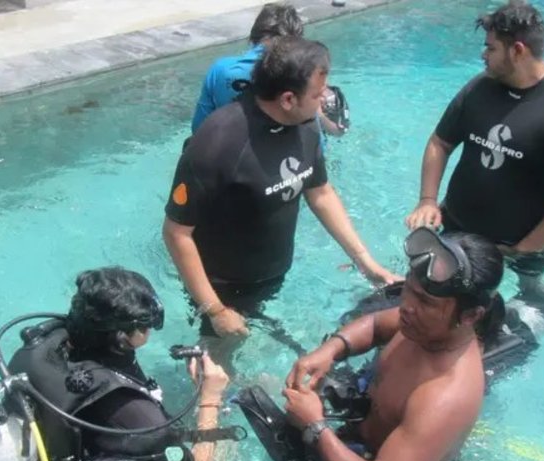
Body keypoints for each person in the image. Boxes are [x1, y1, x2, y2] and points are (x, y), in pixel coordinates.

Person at [235, 229, 505, 461]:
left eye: (424, 301)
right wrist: (332, 350)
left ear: (472, 315)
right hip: (369, 432)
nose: (407, 306)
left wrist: (316, 426)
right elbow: (378, 325)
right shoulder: (423, 326)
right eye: (408, 291)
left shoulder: (444, 394)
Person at [6, 267, 244, 461]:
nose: (149, 332)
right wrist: (210, 398)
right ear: (121, 337)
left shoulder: (47, 348)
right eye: (145, 327)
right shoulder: (140, 418)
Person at [164, 37, 398, 352]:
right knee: (220, 359)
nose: (323, 102)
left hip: (274, 270)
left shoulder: (306, 125)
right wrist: (215, 309)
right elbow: (177, 233)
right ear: (287, 99)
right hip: (223, 284)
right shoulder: (218, 141)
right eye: (316, 95)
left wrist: (366, 263)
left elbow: (321, 192)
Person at [405, 0, 544, 327]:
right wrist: (427, 200)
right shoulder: (480, 88)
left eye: (490, 48)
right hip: (458, 229)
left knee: (525, 305)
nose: (483, 55)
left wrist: (521, 250)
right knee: (431, 298)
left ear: (517, 50)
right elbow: (440, 142)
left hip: (521, 247)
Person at [190, 3, 347, 147]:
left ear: (253, 37)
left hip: (230, 159)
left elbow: (199, 129)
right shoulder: (302, 74)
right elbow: (318, 143)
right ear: (296, 43)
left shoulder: (220, 70)